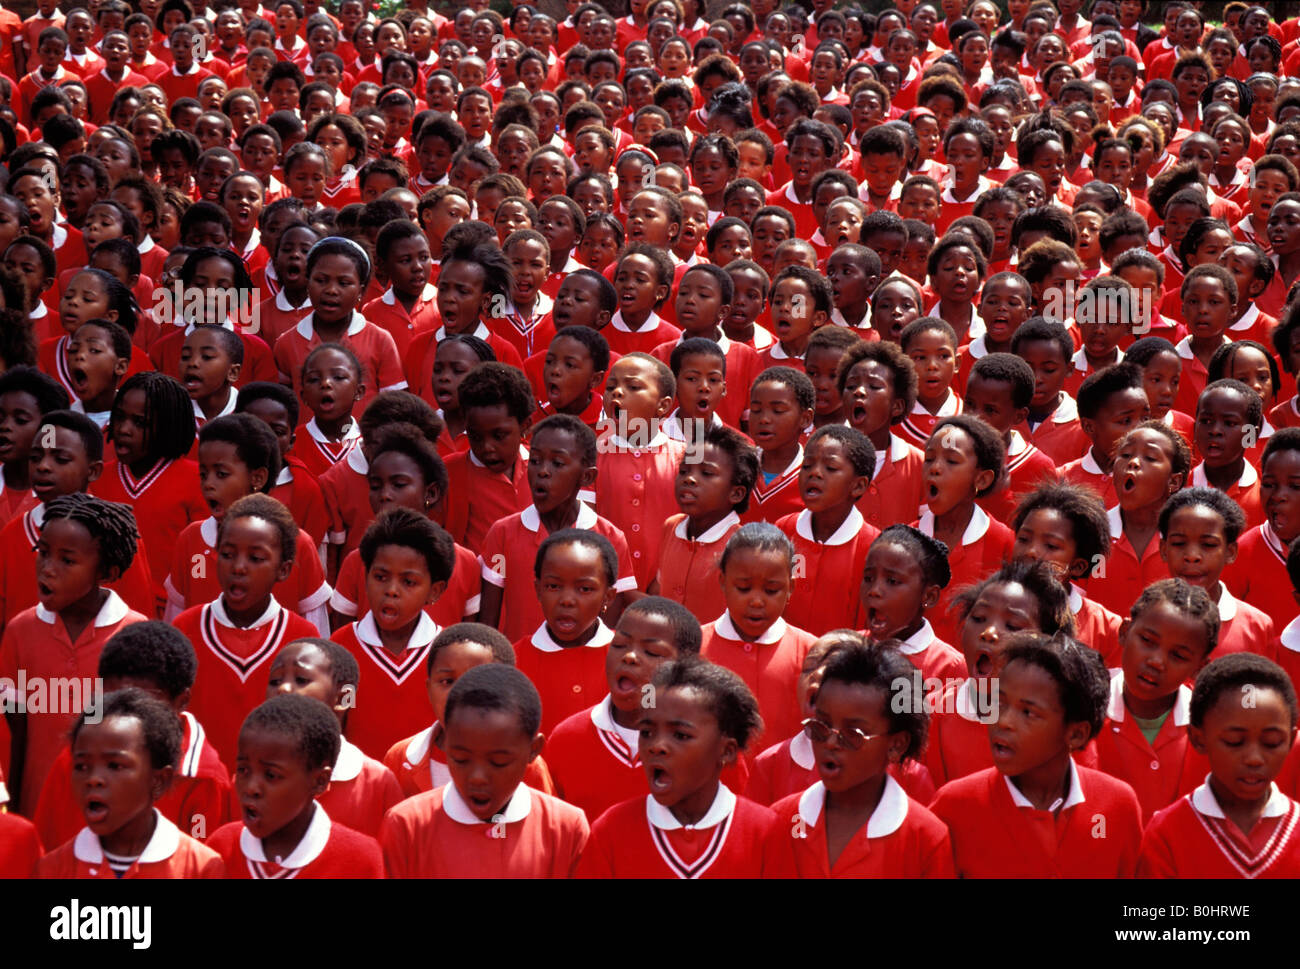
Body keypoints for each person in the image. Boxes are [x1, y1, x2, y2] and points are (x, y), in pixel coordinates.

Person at [930, 633, 1145, 877]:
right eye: (999, 703)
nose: (1004, 721)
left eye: (1028, 712)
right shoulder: (954, 806)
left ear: (1076, 734)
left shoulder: (1117, 805)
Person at [576, 656, 790, 877]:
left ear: (726, 751)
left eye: (680, 735)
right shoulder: (611, 831)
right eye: (647, 733)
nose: (656, 746)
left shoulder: (764, 832)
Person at [0, 492, 145, 816]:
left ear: (105, 572)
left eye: (67, 560)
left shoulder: (134, 635)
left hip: (109, 813)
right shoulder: (20, 631)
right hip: (37, 808)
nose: (47, 569)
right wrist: (16, 808)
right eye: (43, 553)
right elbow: (15, 728)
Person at [772, 637, 955, 877]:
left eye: (853, 734)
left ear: (896, 745)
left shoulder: (925, 838)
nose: (830, 742)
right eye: (821, 726)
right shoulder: (782, 819)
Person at [1138, 653, 1300, 877]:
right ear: (1198, 739)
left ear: (1291, 741)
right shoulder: (1168, 833)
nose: (1254, 758)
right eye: (1234, 742)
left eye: (1271, 743)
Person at [36, 689, 224, 878]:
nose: (93, 779)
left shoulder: (200, 867)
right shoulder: (52, 869)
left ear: (159, 780)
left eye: (115, 766)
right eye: (82, 766)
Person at [207, 693, 384, 878]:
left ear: (320, 781)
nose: (251, 788)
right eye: (243, 770)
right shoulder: (222, 847)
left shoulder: (360, 860)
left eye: (271, 775)